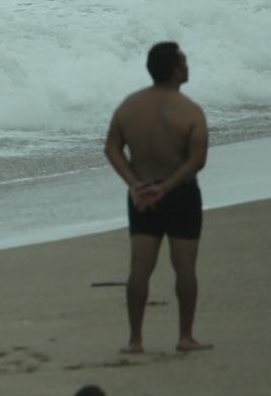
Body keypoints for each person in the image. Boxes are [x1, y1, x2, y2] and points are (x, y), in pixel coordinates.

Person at [104, 42, 211, 355]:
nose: (187, 66)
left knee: (140, 267)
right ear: (175, 70)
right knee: (185, 266)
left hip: (142, 197)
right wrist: (166, 188)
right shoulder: (190, 111)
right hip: (181, 195)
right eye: (184, 61)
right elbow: (197, 160)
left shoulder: (129, 107)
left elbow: (111, 148)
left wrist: (134, 184)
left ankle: (135, 340)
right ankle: (185, 337)